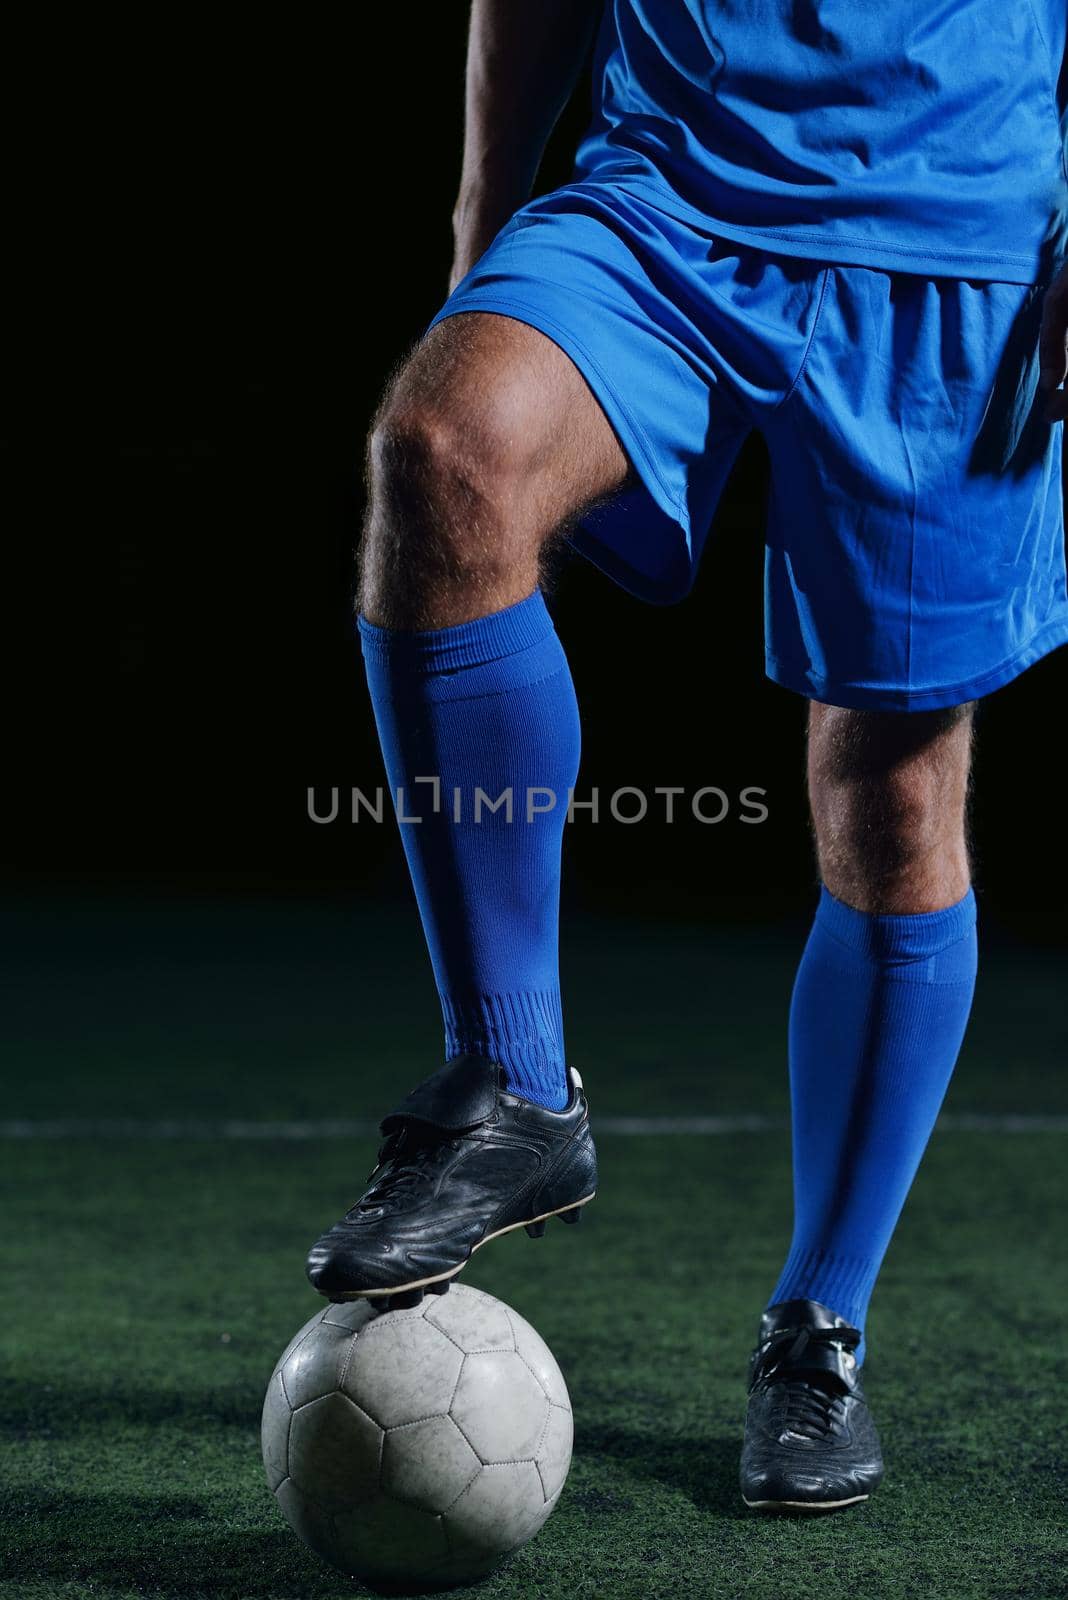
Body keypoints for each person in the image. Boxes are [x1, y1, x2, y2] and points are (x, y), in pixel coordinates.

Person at [306, 0, 1068, 1513]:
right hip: (662, 196)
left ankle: (818, 1328)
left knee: (896, 803)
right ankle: (517, 1083)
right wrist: (485, 214)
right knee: (447, 455)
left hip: (956, 233)